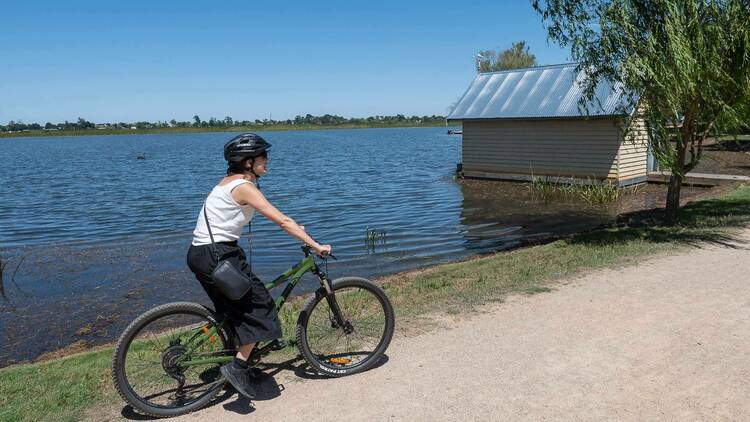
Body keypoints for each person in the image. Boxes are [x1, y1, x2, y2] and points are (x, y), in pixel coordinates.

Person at [186, 133, 332, 399]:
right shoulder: (243, 187)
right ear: (249, 162)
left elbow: (238, 218)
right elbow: (282, 220)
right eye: (264, 156)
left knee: (235, 311)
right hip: (219, 254)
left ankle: (240, 356)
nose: (268, 160)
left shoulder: (229, 183)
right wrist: (315, 244)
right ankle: (238, 367)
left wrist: (296, 229)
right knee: (261, 306)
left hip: (202, 253)